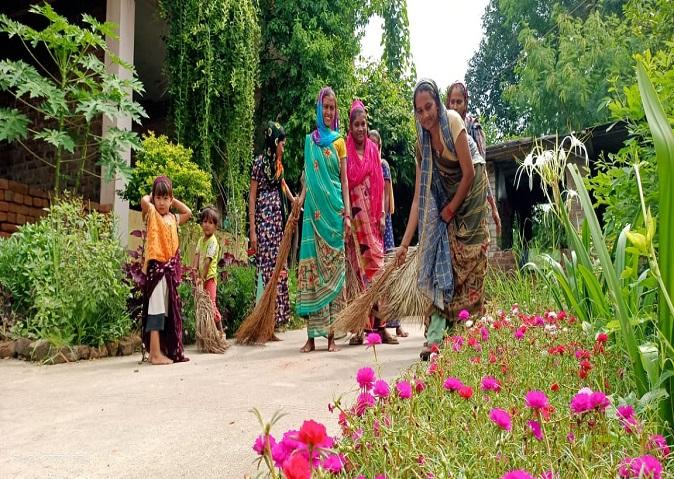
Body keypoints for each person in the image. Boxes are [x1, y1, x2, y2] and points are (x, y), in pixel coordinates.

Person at [396, 79, 490, 359]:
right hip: (448, 196)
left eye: (429, 107)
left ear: (437, 103)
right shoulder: (422, 144)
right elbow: (417, 198)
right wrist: (404, 244)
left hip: (471, 195)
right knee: (442, 259)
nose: (425, 115)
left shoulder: (452, 123)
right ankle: (437, 337)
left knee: (470, 262)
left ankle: (469, 335)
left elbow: (470, 173)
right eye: (419, 110)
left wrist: (450, 209)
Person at [297, 86, 350, 353]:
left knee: (333, 271)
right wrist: (300, 200)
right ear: (319, 109)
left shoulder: (340, 141)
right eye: (325, 107)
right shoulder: (309, 141)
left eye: (332, 108)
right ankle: (310, 337)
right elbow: (308, 177)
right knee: (313, 272)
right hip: (313, 215)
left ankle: (331, 336)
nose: (328, 112)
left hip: (335, 213)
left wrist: (348, 213)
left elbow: (344, 180)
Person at [344, 101, 397, 345]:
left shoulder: (374, 151)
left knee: (377, 271)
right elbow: (345, 183)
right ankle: (360, 329)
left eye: (364, 124)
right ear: (350, 126)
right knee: (358, 273)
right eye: (356, 124)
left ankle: (382, 326)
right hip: (355, 223)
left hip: (374, 221)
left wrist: (383, 215)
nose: (361, 128)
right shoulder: (345, 150)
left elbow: (379, 187)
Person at [248, 121, 295, 332]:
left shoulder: (277, 165)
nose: (284, 148)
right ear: (273, 142)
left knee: (279, 269)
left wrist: (294, 201)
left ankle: (274, 322)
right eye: (282, 144)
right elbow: (252, 197)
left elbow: (282, 184)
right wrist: (252, 230)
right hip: (264, 225)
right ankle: (263, 322)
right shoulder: (258, 164)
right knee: (267, 271)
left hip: (278, 225)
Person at [140, 176, 192, 364]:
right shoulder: (152, 213)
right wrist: (152, 196)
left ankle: (160, 350)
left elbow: (188, 212)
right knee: (156, 310)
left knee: (165, 311)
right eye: (158, 198)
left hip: (168, 272)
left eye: (165, 198)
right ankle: (155, 354)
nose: (161, 203)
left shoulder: (172, 218)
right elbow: (143, 201)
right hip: (157, 269)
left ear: (170, 199)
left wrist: (172, 198)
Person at [445, 81, 501, 236]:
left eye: (459, 102)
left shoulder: (473, 129)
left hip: (472, 196)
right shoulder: (444, 129)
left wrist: (493, 208)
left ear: (465, 104)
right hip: (452, 197)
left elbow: (480, 169)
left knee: (474, 248)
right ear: (447, 103)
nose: (455, 106)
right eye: (452, 102)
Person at [369, 129, 408, 339]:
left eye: (376, 144)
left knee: (389, 276)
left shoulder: (383, 165)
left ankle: (395, 324)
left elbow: (385, 195)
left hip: (383, 225)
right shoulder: (365, 165)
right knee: (373, 279)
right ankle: (372, 324)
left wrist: (381, 217)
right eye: (370, 144)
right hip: (370, 225)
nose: (373, 148)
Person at [193, 207, 224, 335]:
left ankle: (220, 332)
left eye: (210, 223)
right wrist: (194, 270)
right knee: (202, 306)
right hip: (201, 278)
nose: (207, 225)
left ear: (215, 226)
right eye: (205, 221)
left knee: (211, 305)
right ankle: (207, 333)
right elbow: (197, 255)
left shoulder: (213, 242)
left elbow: (207, 262)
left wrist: (202, 277)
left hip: (209, 278)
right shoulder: (201, 240)